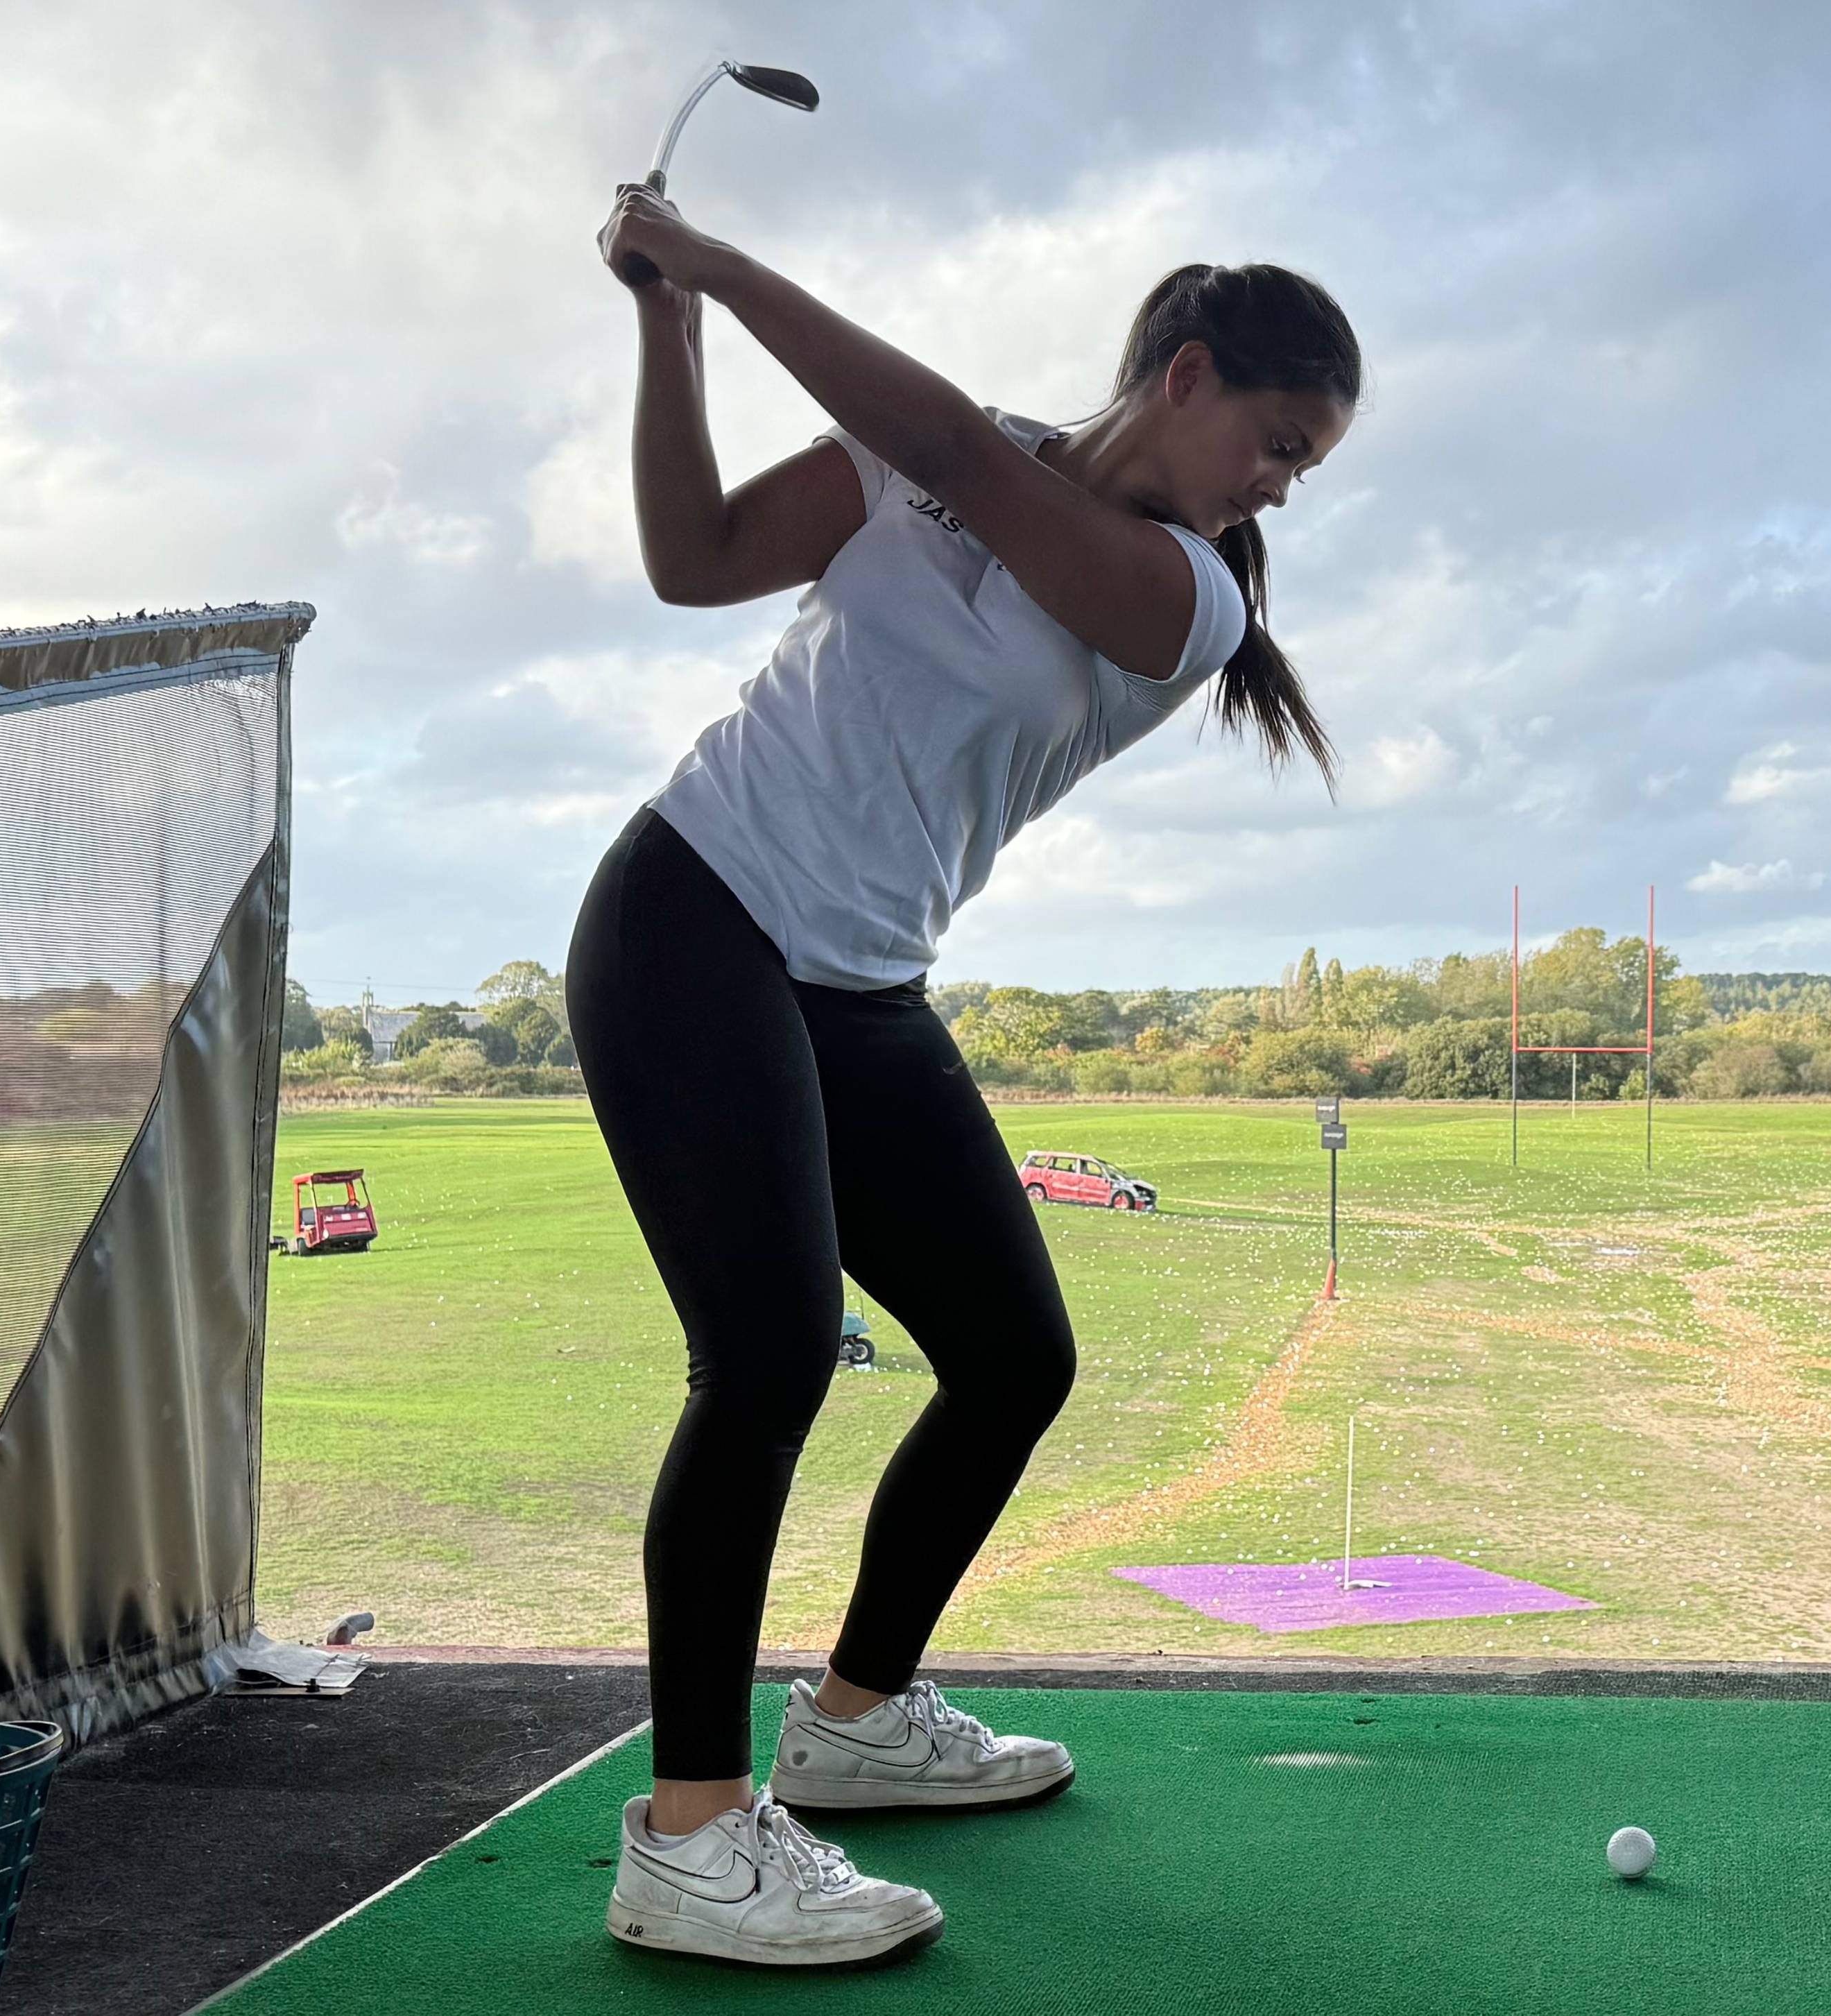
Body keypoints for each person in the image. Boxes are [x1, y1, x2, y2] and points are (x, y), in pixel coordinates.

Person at [571, 184, 1355, 1967]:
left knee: (1011, 1356)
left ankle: (853, 1723)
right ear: (1187, 371)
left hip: (853, 978)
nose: (1284, 488)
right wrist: (665, 322)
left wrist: (713, 256)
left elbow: (944, 447)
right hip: (693, 912)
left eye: (1306, 466)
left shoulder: (1186, 605)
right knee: (765, 1352)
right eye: (1281, 440)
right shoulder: (933, 455)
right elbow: (690, 555)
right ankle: (687, 1837)